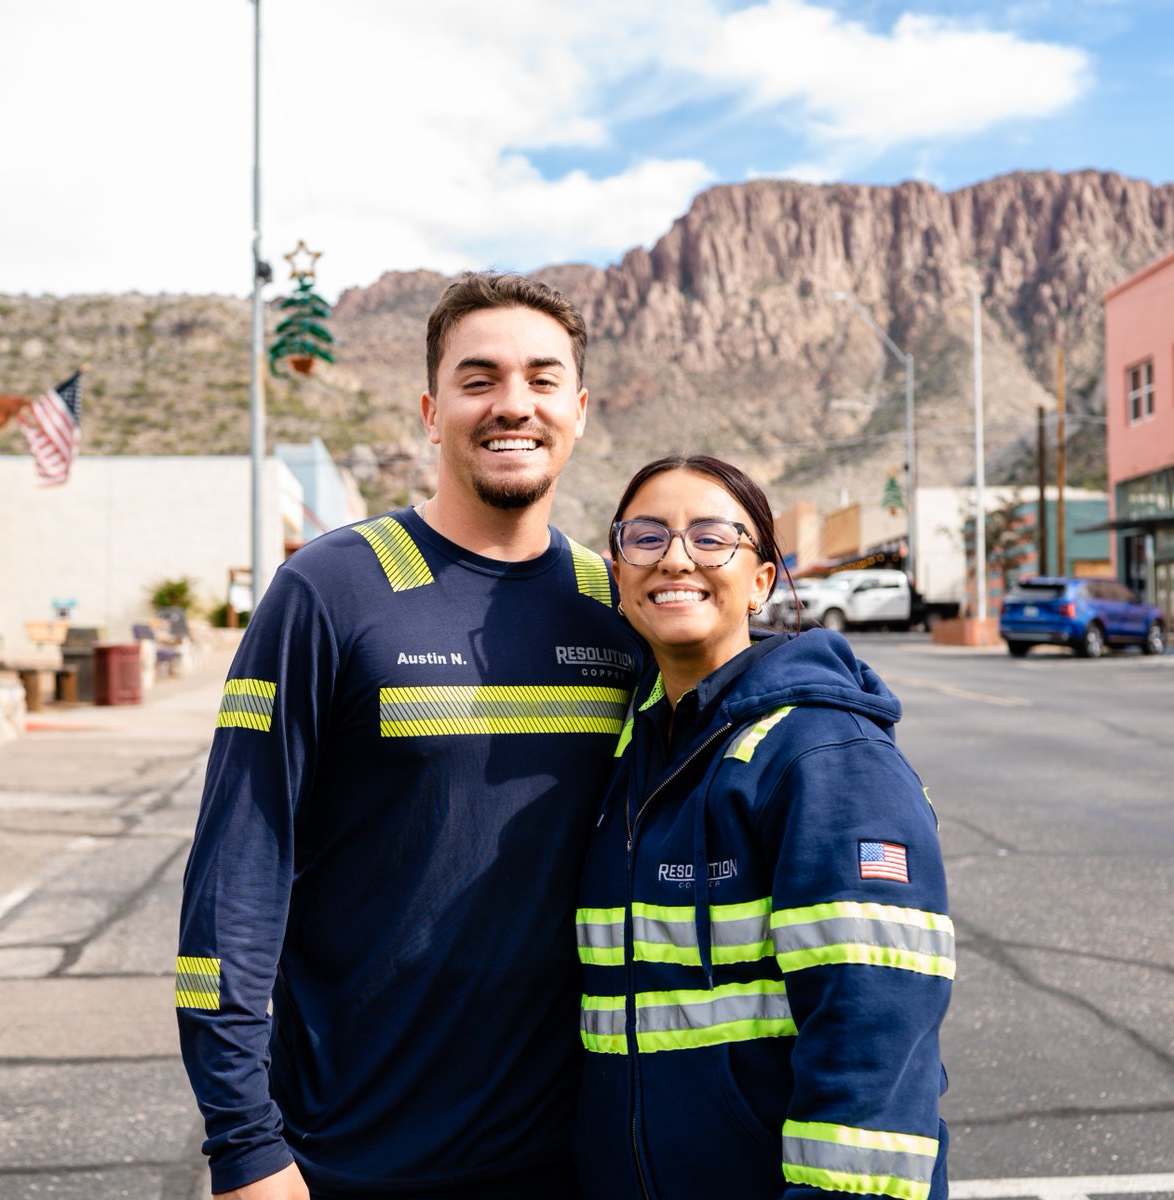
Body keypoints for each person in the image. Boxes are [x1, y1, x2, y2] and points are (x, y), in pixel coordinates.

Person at [177, 272, 641, 1199]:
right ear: (433, 411)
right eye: (479, 379)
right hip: (349, 1151)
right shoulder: (330, 589)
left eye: (543, 380)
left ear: (579, 411)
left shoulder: (615, 603)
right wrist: (243, 1144)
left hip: (569, 1155)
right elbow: (239, 872)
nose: (513, 404)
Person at [573, 454, 953, 1200]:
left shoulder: (827, 757)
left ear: (762, 581)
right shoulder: (627, 753)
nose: (676, 556)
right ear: (618, 575)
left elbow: (873, 1038)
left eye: (712, 537)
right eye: (646, 537)